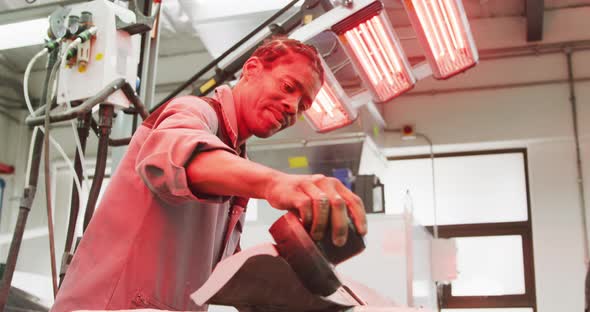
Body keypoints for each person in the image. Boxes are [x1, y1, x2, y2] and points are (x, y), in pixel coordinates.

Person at [51, 37, 367, 311]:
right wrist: (276, 183)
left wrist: (299, 289)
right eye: (288, 87)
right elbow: (176, 156)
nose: (292, 107)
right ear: (252, 69)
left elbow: (220, 271)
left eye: (302, 106)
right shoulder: (194, 111)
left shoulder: (237, 159)